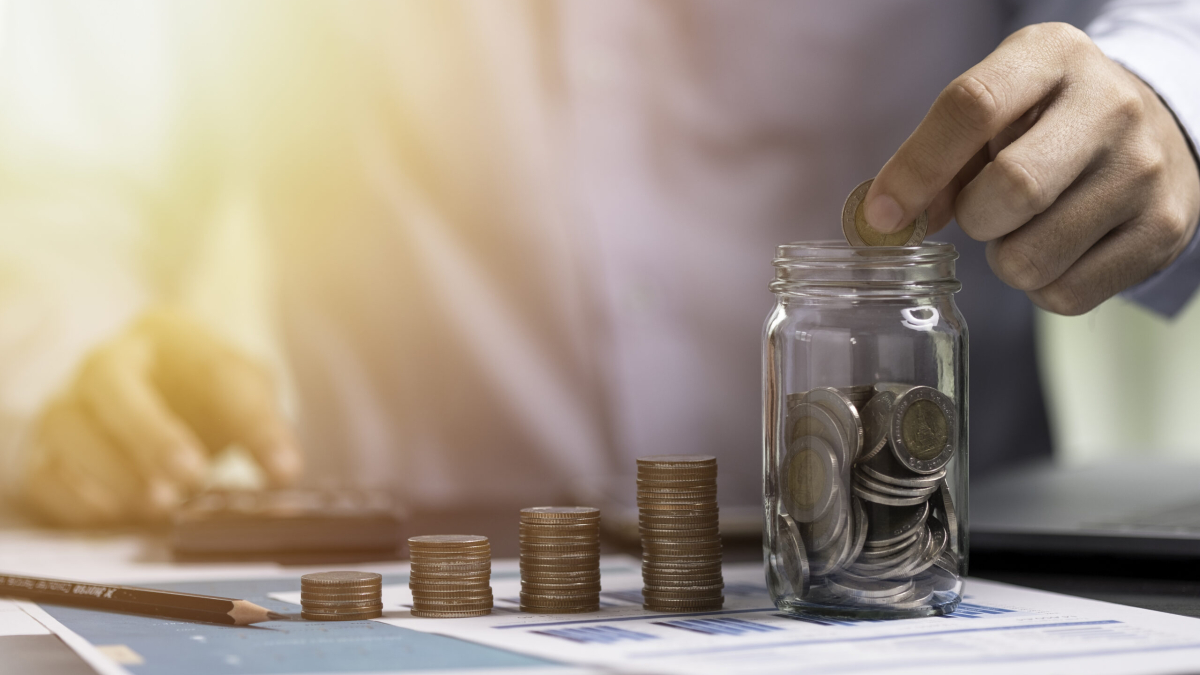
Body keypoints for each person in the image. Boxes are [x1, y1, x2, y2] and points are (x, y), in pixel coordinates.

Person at [2, 1, 1199, 526]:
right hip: (417, 587)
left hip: (941, 563)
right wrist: (74, 343)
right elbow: (65, 161)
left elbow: (1163, 31)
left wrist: (1163, 95)